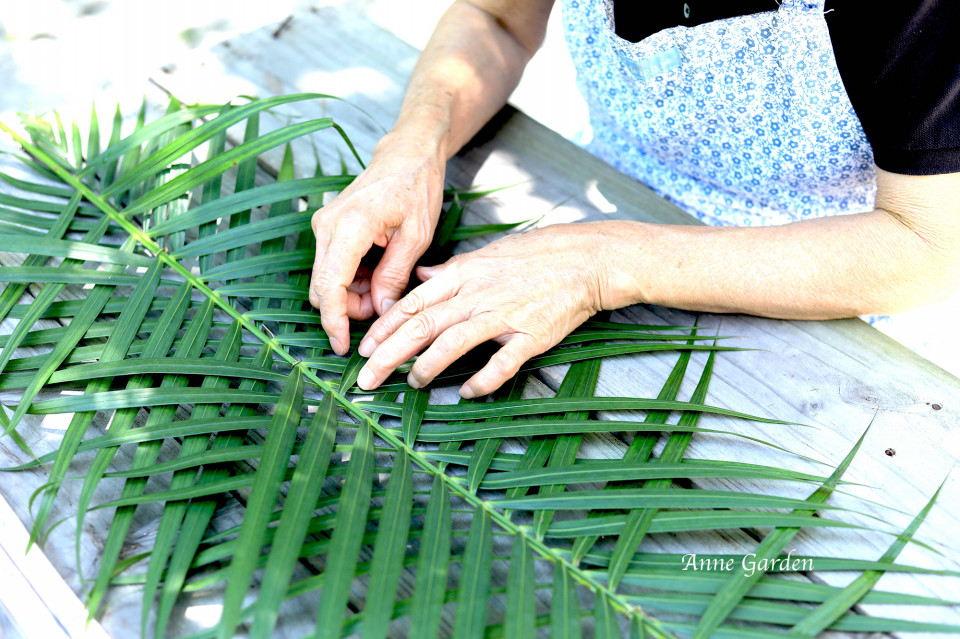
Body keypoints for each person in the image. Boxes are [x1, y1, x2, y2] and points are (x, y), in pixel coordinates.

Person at [308, 0, 960, 398]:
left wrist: (603, 262)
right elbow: (496, 19)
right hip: (596, 202)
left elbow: (931, 247)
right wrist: (414, 146)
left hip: (829, 292)